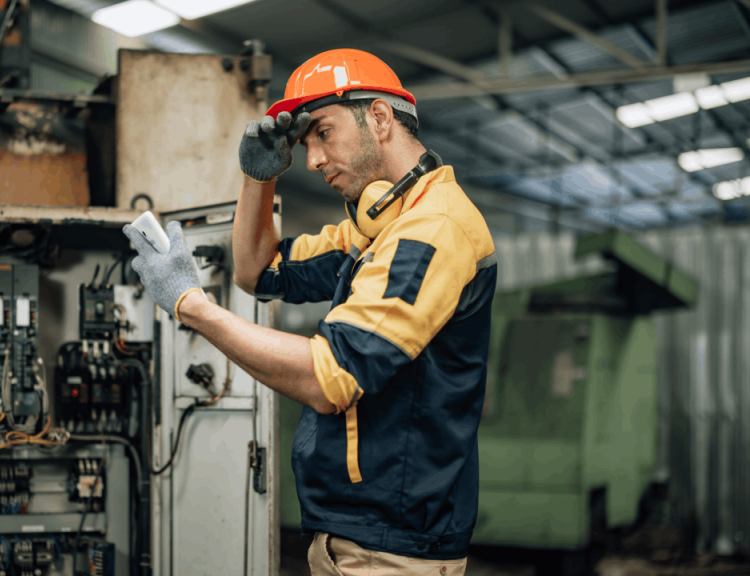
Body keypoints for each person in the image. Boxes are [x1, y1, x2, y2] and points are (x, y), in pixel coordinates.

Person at [123, 48, 496, 576]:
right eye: (305, 143)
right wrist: (259, 178)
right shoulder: (378, 225)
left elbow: (331, 377)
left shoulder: (431, 231)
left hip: (393, 549)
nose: (314, 158)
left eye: (323, 132)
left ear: (381, 118)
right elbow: (259, 272)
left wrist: (192, 308)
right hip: (359, 537)